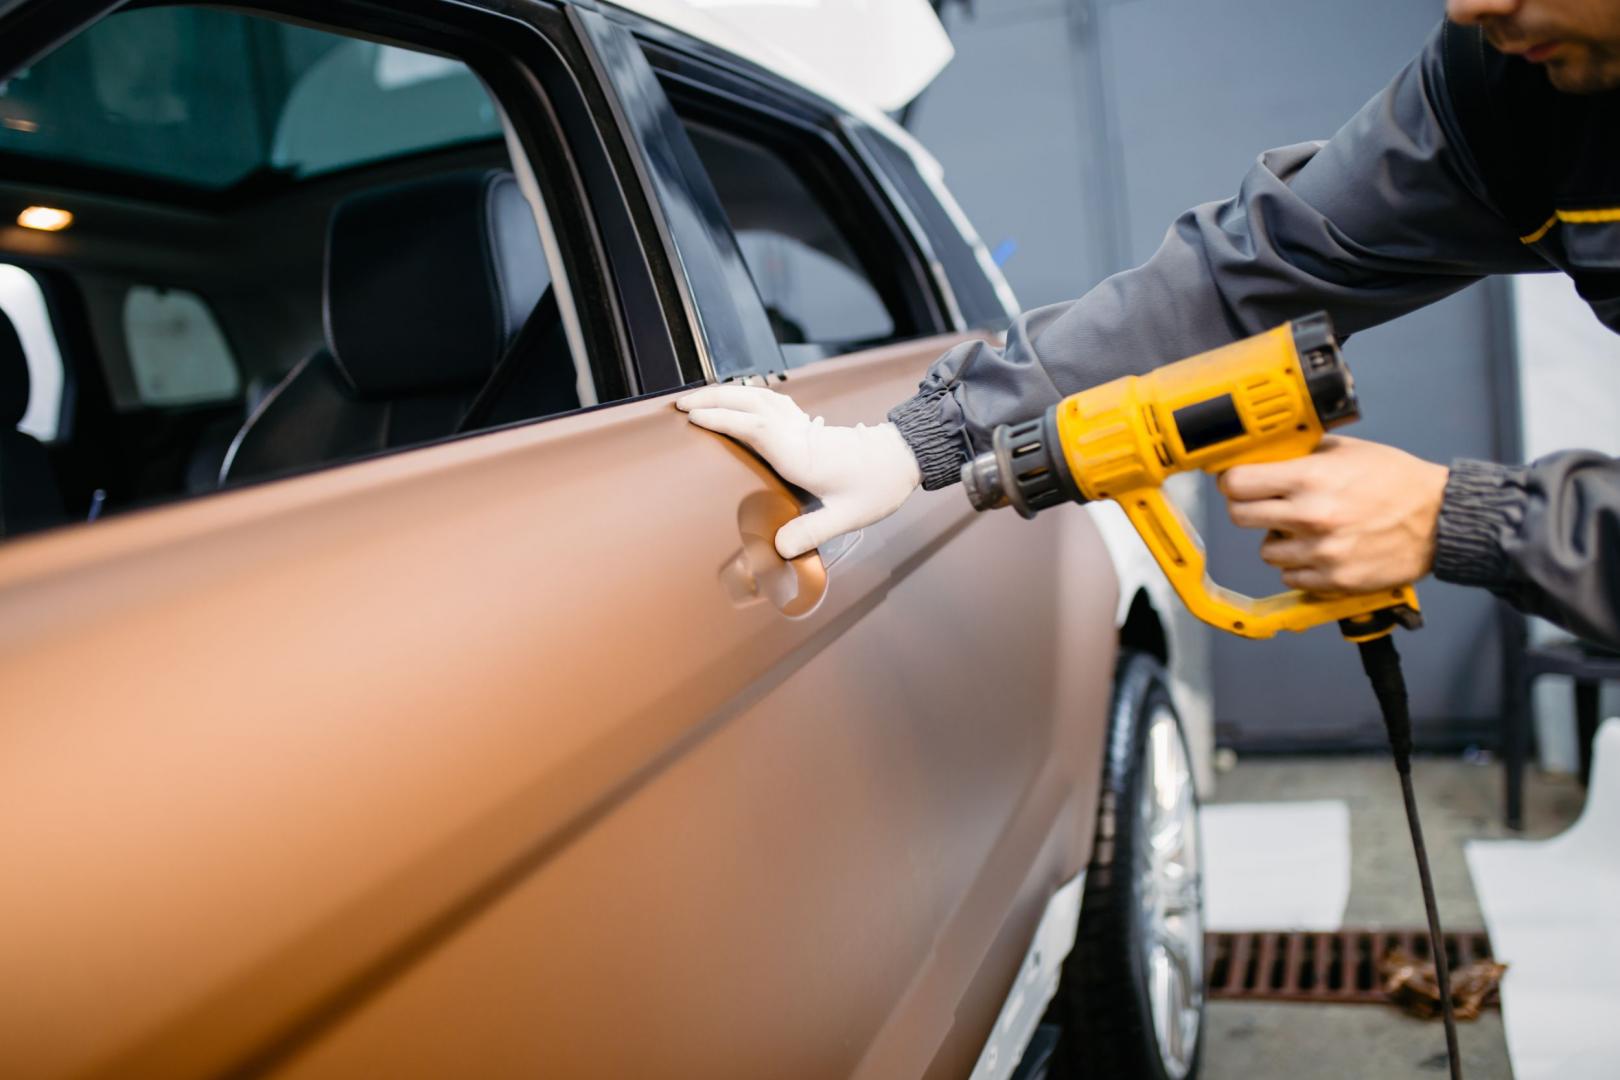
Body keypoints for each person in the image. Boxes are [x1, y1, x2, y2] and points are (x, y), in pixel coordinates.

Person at [676, 0, 1620, 648]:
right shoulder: (1512, 85)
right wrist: (910, 445)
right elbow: (1245, 278)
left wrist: (1476, 521)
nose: (1467, 7)